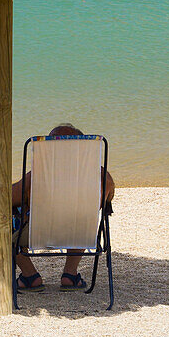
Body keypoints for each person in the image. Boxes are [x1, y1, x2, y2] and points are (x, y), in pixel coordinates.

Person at [12, 123, 114, 292]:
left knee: (2, 218)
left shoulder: (38, 176)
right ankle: (70, 275)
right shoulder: (102, 177)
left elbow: (9, 198)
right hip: (81, 234)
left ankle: (30, 277)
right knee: (81, 215)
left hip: (38, 234)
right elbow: (107, 201)